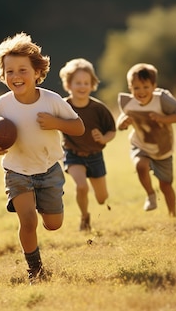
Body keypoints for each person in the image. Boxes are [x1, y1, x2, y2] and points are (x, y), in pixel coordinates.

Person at [0, 32, 85, 284]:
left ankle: (47, 210)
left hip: (49, 170)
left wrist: (56, 122)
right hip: (17, 171)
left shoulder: (52, 100)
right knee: (27, 220)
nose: (16, 76)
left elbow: (78, 127)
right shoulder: (2, 104)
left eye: (23, 70)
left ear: (37, 72)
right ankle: (34, 269)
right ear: (2, 75)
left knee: (54, 224)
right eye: (10, 71)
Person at [116, 63, 176, 217]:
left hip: (163, 148)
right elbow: (121, 121)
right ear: (130, 88)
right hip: (140, 143)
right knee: (140, 165)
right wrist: (122, 124)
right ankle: (150, 194)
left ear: (154, 86)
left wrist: (164, 118)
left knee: (166, 185)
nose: (141, 92)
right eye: (136, 88)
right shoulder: (128, 102)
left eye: (145, 86)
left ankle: (173, 215)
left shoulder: (162, 100)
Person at [59, 58, 116, 231]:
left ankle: (98, 202)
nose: (82, 86)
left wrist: (103, 139)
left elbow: (112, 130)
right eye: (78, 83)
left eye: (86, 82)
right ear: (68, 85)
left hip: (95, 156)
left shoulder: (99, 108)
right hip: (73, 154)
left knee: (102, 198)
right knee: (81, 186)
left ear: (92, 85)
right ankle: (84, 217)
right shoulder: (63, 105)